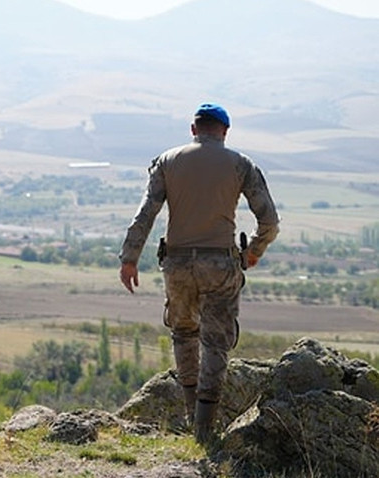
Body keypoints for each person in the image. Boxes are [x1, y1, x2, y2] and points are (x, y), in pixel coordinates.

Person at [117, 103, 279, 443]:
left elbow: (146, 213)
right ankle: (205, 429)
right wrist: (253, 253)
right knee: (216, 341)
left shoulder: (167, 162)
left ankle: (191, 413)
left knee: (183, 334)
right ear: (224, 131)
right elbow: (270, 221)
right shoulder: (241, 164)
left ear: (193, 129)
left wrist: (129, 258)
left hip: (175, 264)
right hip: (220, 264)